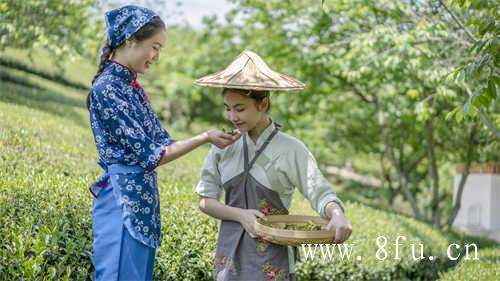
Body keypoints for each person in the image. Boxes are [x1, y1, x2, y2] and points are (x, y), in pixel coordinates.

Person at [86, 5, 240, 281]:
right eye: (154, 47)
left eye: (161, 49)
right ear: (130, 40)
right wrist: (204, 137)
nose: (156, 57)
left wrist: (213, 138)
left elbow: (164, 142)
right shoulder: (108, 88)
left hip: (140, 201)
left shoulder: (131, 87)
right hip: (122, 200)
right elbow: (151, 155)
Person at [194, 50, 352, 281]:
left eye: (240, 109)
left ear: (263, 104)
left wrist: (337, 214)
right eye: (227, 108)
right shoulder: (222, 146)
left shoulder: (291, 149)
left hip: (272, 257)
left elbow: (319, 191)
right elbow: (205, 201)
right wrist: (240, 215)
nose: (232, 117)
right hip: (228, 258)